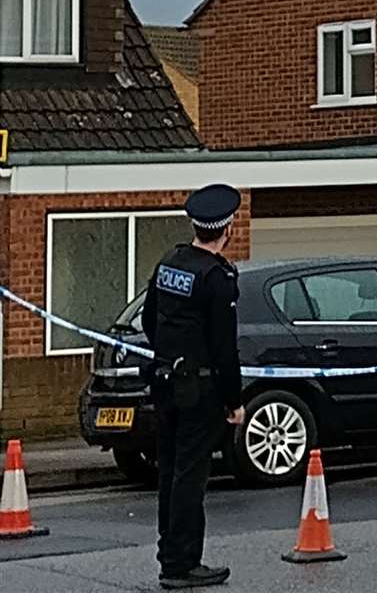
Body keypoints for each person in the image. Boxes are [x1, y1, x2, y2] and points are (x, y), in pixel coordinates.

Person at [143, 184, 244, 590]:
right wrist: (234, 401)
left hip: (165, 380)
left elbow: (151, 320)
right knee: (190, 476)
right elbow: (225, 349)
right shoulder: (218, 278)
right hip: (198, 390)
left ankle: (169, 554)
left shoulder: (170, 263)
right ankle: (183, 564)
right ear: (228, 228)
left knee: (169, 472)